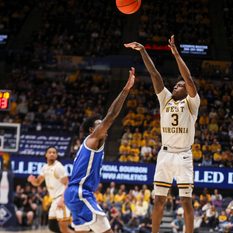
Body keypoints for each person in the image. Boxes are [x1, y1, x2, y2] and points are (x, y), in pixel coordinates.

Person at [125, 35, 200, 233]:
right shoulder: (165, 99)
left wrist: (175, 53)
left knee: (186, 201)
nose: (176, 85)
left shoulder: (192, 103)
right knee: (158, 200)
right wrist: (142, 50)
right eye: (176, 84)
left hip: (184, 154)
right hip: (165, 154)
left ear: (188, 90)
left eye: (180, 85)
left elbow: (189, 79)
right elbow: (155, 74)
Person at [64, 68, 135, 233]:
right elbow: (111, 115)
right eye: (99, 124)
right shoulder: (92, 140)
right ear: (91, 130)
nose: (104, 124)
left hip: (74, 194)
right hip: (81, 193)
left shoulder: (88, 145)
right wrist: (126, 89)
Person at [27, 146, 73, 233]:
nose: (52, 154)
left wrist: (62, 200)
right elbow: (37, 182)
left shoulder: (58, 167)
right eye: (50, 152)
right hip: (54, 200)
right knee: (52, 226)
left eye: (54, 152)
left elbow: (68, 184)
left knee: (64, 229)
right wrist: (32, 181)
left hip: (62, 198)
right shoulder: (45, 167)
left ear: (56, 155)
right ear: (46, 155)